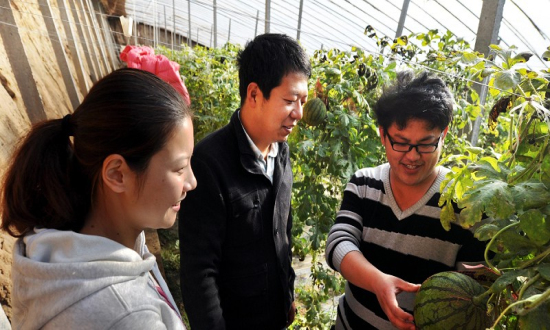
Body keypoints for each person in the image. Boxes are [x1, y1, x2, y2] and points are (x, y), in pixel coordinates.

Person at [0, 68, 196, 329]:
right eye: (180, 168)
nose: (191, 182)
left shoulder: (53, 248)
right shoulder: (128, 318)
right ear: (117, 174)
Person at [325, 71, 487, 330]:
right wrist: (378, 282)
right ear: (382, 135)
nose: (412, 156)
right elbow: (338, 243)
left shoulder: (466, 202)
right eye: (401, 143)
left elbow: (473, 292)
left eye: (425, 144)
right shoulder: (364, 183)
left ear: (443, 134)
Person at [178, 33, 311, 330]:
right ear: (253, 95)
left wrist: (287, 292)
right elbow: (199, 271)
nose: (299, 113)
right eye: (289, 101)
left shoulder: (281, 154)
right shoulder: (209, 164)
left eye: (302, 101)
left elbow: (282, 231)